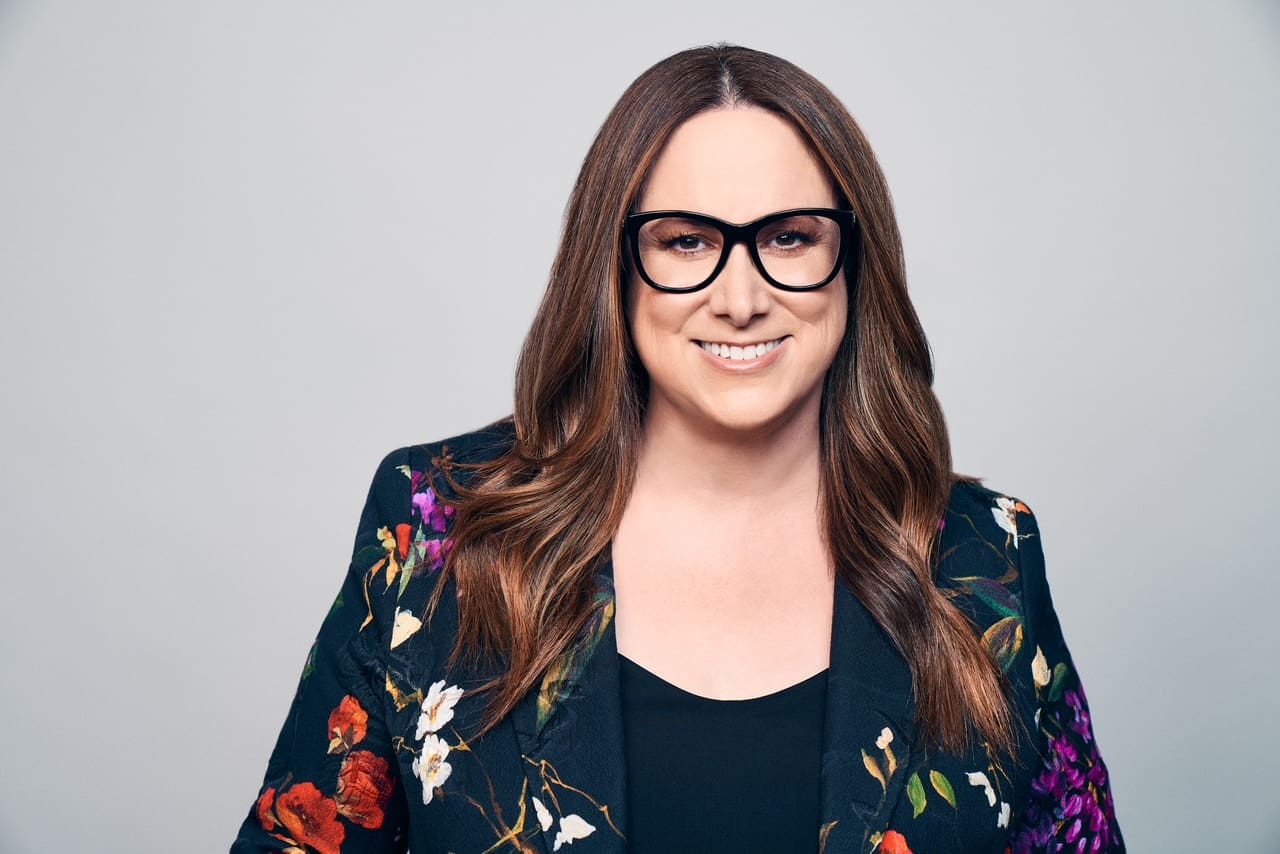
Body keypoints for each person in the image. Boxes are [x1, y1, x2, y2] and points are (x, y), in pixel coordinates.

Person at [232, 44, 1123, 854]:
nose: (741, 297)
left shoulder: (984, 558)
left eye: (789, 238)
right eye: (687, 242)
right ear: (612, 267)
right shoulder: (436, 529)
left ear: (854, 262)